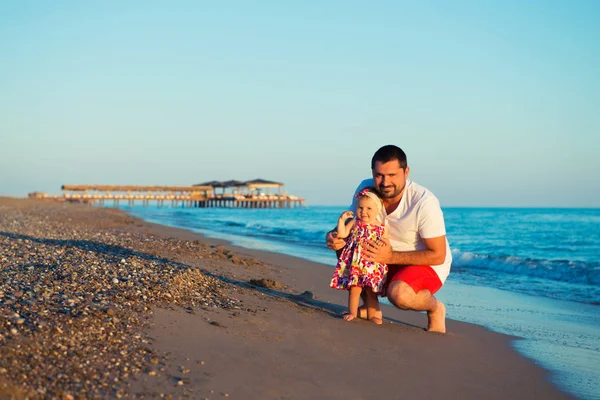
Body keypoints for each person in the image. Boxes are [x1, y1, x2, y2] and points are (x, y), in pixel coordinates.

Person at [326, 145, 452, 333]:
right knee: (347, 247)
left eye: (392, 175)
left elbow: (438, 255)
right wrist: (332, 236)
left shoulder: (424, 202)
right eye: (379, 175)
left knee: (399, 294)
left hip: (424, 263)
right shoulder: (366, 189)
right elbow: (352, 225)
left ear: (406, 172)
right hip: (381, 257)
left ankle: (435, 308)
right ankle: (371, 305)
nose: (385, 182)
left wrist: (389, 257)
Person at [329, 187, 388, 325]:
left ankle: (373, 315)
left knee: (371, 291)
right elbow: (342, 234)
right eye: (360, 208)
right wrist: (341, 220)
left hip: (371, 263)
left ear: (377, 210)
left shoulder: (380, 227)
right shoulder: (355, 222)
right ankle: (353, 312)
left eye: (369, 208)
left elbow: (386, 244)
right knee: (354, 289)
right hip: (355, 263)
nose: (364, 212)